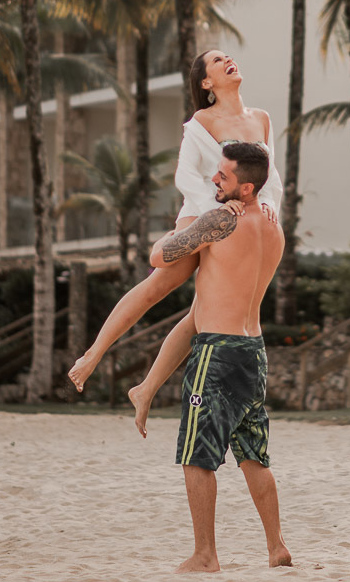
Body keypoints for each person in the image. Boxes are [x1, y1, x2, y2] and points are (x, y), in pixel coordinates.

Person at [67, 49, 282, 410]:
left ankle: (145, 388)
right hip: (202, 211)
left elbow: (270, 176)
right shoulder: (202, 120)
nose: (227, 59)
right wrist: (215, 211)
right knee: (159, 285)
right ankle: (92, 355)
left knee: (202, 312)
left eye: (227, 55)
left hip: (243, 219)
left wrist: (269, 206)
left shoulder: (261, 118)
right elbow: (185, 175)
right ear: (206, 83)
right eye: (216, 60)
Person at [153, 141, 290, 573]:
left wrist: (190, 223)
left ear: (246, 188)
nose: (215, 178)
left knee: (197, 456)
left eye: (224, 176)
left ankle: (205, 555)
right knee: (253, 453)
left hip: (217, 353)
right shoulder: (273, 228)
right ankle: (276, 547)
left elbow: (159, 256)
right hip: (254, 352)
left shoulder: (219, 223)